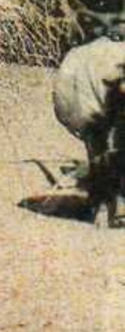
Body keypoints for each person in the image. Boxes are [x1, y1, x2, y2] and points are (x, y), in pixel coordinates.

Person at [52, 16, 125, 224]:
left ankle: (105, 206)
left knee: (100, 149)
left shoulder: (84, 57)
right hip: (103, 97)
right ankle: (112, 205)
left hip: (92, 100)